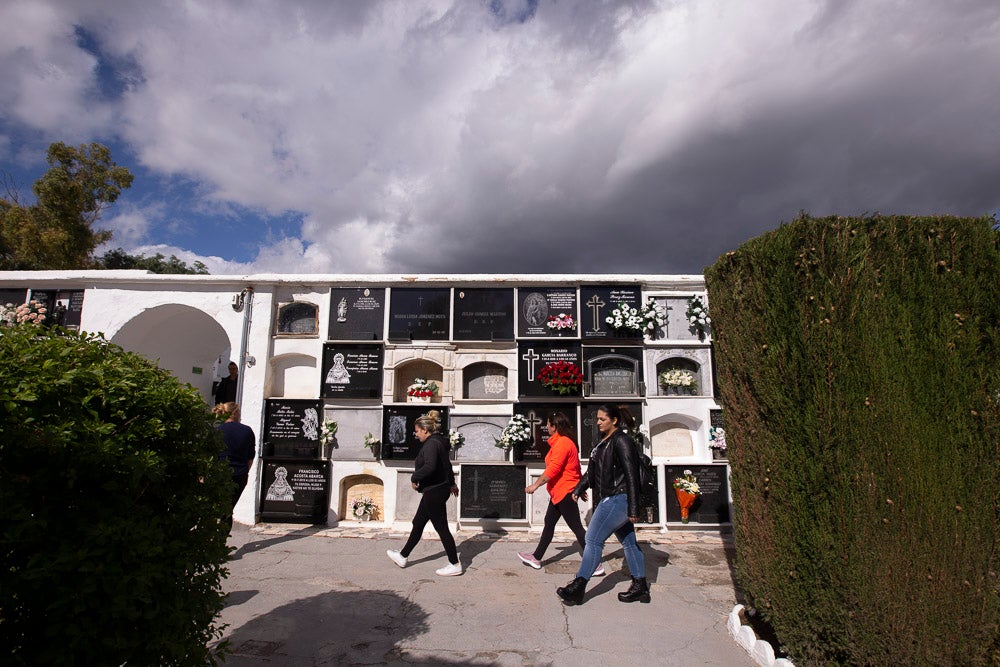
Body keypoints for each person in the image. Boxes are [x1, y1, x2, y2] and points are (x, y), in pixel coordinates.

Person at [556, 404, 649, 605]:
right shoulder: (603, 442)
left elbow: (631, 474)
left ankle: (578, 586)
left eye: (602, 419)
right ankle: (640, 587)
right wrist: (579, 488)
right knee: (629, 542)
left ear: (614, 420)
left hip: (618, 498)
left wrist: (634, 507)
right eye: (597, 419)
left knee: (593, 539)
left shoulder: (622, 441)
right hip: (611, 497)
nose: (598, 422)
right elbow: (593, 472)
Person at [518, 412, 605, 577]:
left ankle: (596, 564)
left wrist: (535, 485)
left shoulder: (563, 443)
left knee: (577, 528)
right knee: (549, 522)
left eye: (549, 424)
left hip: (565, 491)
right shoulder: (560, 443)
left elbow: (554, 469)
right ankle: (536, 557)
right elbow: (574, 468)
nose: (546, 427)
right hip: (561, 491)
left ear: (555, 427)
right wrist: (581, 487)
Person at [387, 410, 462, 576]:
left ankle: (454, 563)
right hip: (437, 489)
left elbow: (430, 466)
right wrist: (451, 483)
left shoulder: (431, 444)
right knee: (418, 523)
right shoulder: (439, 442)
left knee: (442, 528)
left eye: (417, 431)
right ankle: (402, 556)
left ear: (425, 430)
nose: (416, 434)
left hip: (434, 491)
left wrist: (415, 477)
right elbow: (447, 465)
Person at [214, 402, 256, 527]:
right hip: (239, 473)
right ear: (235, 412)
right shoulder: (247, 431)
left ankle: (217, 537)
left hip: (221, 472)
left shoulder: (218, 431)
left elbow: (213, 454)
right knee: (229, 508)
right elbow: (250, 456)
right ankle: (222, 538)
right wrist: (246, 471)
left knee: (222, 506)